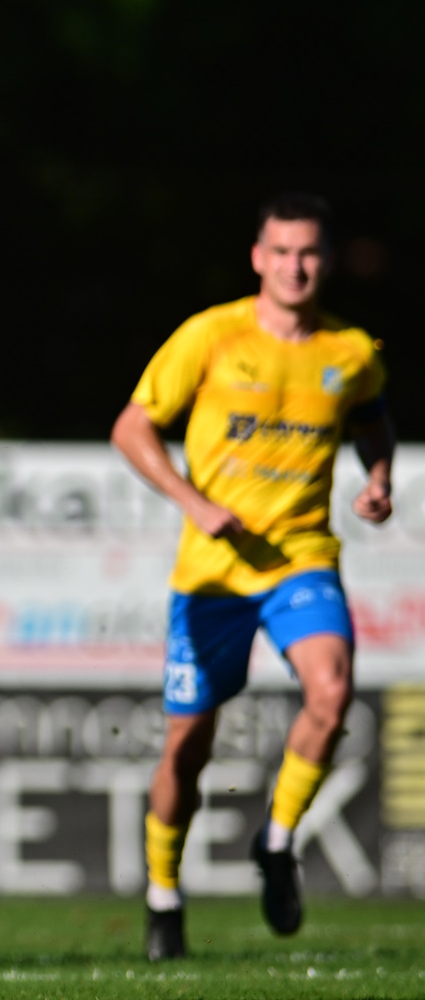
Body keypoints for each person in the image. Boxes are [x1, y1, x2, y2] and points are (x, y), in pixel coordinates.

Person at [110, 193, 394, 962]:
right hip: (213, 575)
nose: (295, 267)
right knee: (187, 749)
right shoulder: (211, 334)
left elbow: (373, 420)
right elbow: (132, 429)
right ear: (258, 258)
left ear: (327, 261)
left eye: (309, 253)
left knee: (332, 692)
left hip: (301, 558)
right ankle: (163, 895)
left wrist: (379, 478)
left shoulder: (352, 351)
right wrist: (193, 503)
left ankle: (276, 840)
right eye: (282, 252)